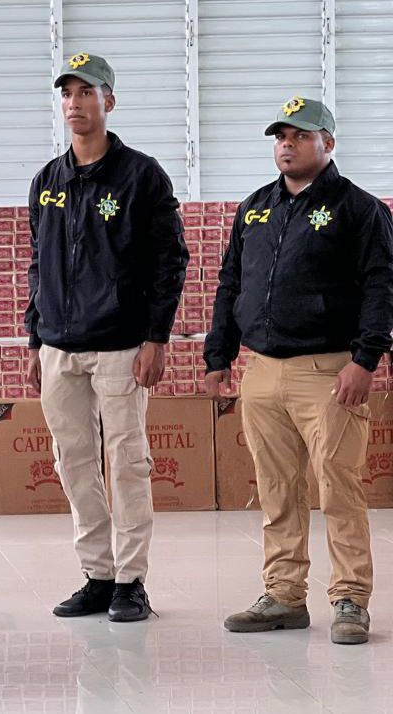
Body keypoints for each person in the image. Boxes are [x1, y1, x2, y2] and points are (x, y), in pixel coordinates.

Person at [206, 97, 393, 645]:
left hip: (330, 371)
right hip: (263, 370)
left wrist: (365, 359)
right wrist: (219, 355)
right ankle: (284, 595)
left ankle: (350, 598)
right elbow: (231, 284)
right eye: (281, 137)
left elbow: (382, 286)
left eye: (300, 136)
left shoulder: (359, 209)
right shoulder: (255, 208)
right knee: (276, 488)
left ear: (327, 143)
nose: (287, 145)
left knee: (338, 486)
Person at [24, 53, 189, 622]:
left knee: (126, 463)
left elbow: (170, 260)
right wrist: (34, 339)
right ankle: (97, 574)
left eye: (86, 92)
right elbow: (38, 266)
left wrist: (156, 338)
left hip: (121, 344)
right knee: (72, 462)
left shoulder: (141, 176)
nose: (74, 103)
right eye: (67, 94)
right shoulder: (48, 181)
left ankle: (130, 580)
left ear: (108, 101)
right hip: (58, 346)